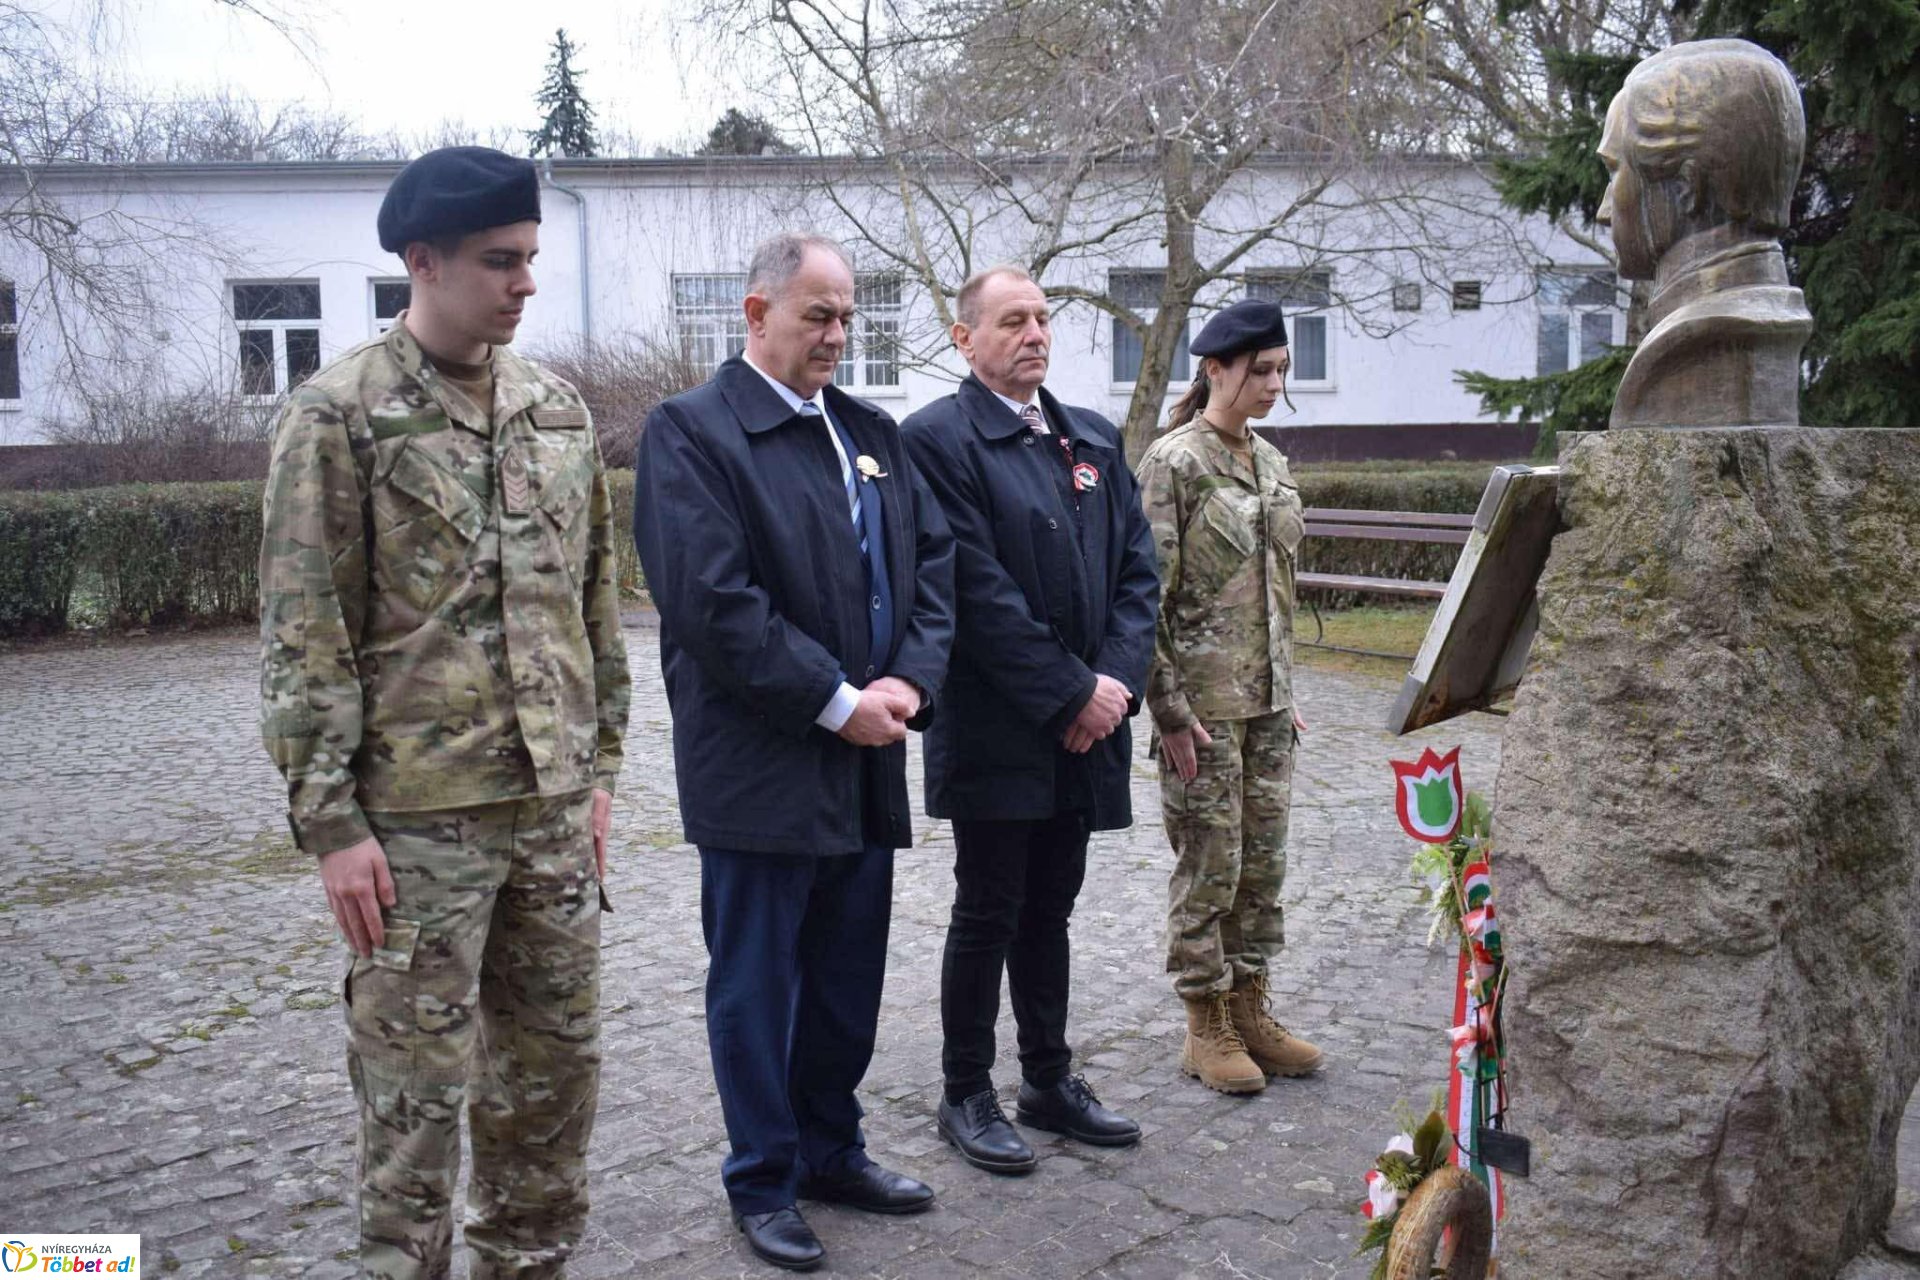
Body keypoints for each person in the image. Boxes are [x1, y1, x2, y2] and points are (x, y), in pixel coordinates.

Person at [258, 146, 632, 1278]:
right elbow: (302, 628)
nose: (524, 282)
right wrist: (332, 824)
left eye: (531, 258)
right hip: (414, 831)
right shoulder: (339, 416)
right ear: (421, 261)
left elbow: (594, 605)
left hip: (551, 814)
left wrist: (600, 767)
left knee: (552, 1089)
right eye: (498, 260)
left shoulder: (557, 411)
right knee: (414, 1109)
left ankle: (529, 1264)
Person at [631, 232, 956, 1273]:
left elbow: (932, 564)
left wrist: (912, 675)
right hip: (761, 765)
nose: (838, 334)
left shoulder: (869, 431)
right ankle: (763, 1177)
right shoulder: (693, 432)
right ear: (755, 311)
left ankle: (831, 1146)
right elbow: (717, 606)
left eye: (849, 314)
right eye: (818, 314)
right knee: (759, 982)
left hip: (865, 754)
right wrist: (833, 698)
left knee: (845, 973)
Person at [901, 266, 1160, 1174]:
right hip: (1001, 725)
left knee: (1052, 905)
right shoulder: (936, 441)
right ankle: (964, 1089)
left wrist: (1115, 688)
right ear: (965, 338)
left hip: (1090, 724)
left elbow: (1139, 574)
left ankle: (1047, 1078)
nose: (1035, 335)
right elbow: (971, 589)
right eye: (1013, 322)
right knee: (989, 907)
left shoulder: (1089, 435)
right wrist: (1067, 693)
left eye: (1044, 318)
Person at [1136, 297, 1323, 1096]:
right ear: (1216, 370)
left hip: (1267, 708)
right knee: (1211, 866)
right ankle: (1203, 1021)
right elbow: (1143, 599)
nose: (1274, 383)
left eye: (1282, 369)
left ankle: (1250, 1006)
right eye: (1261, 370)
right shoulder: (1175, 463)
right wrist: (1170, 711)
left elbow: (1276, 588)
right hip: (1203, 714)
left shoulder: (1271, 463)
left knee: (1263, 868)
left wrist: (1284, 688)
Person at [1598, 38, 1811, 429]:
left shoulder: (1695, 347)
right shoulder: (1769, 320)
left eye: (1614, 172)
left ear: (1686, 186)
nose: (1604, 211)